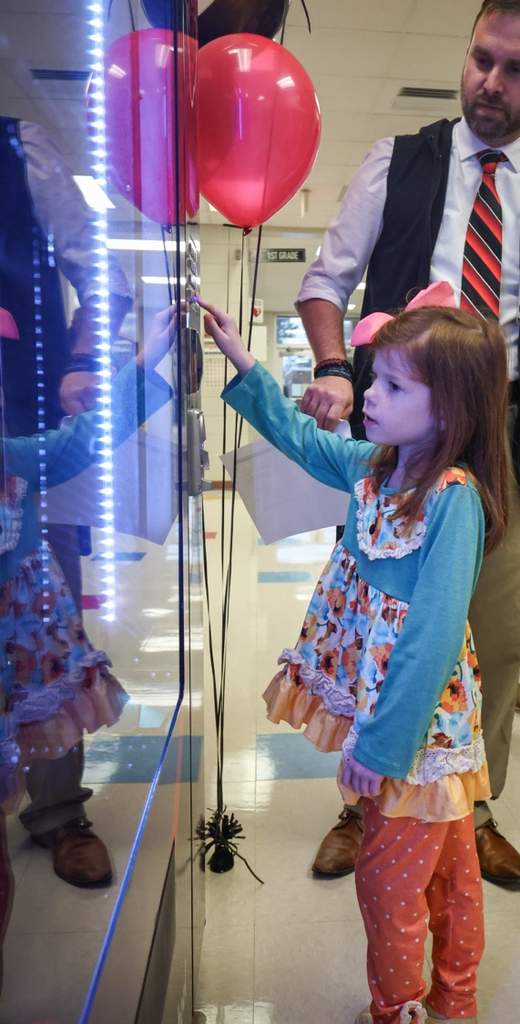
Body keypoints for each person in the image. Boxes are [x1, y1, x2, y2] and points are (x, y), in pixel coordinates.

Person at [295, 0, 520, 884]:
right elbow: (326, 282)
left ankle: (475, 809)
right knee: (384, 626)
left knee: (496, 639)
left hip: (509, 442)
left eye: (513, 70)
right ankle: (363, 801)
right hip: (404, 441)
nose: (488, 83)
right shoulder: (398, 163)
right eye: (479, 60)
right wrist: (337, 368)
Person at [201, 287, 508, 1024]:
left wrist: (382, 745)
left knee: (391, 885)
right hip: (397, 723)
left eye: (394, 385)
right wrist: (244, 363)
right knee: (448, 869)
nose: (368, 395)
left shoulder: (451, 498)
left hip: (411, 734)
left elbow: (431, 637)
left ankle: (401, 1007)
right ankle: (453, 1001)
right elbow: (305, 442)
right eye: (375, 378)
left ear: (451, 407)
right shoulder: (378, 466)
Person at [0, 115, 133, 883]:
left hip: (18, 408)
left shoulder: (22, 146)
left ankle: (57, 809)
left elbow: (102, 269)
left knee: (41, 612)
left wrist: (85, 361)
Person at [0, 306, 175, 883]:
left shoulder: (14, 460)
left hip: (27, 633)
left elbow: (88, 435)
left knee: (46, 710)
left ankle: (60, 814)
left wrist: (145, 362)